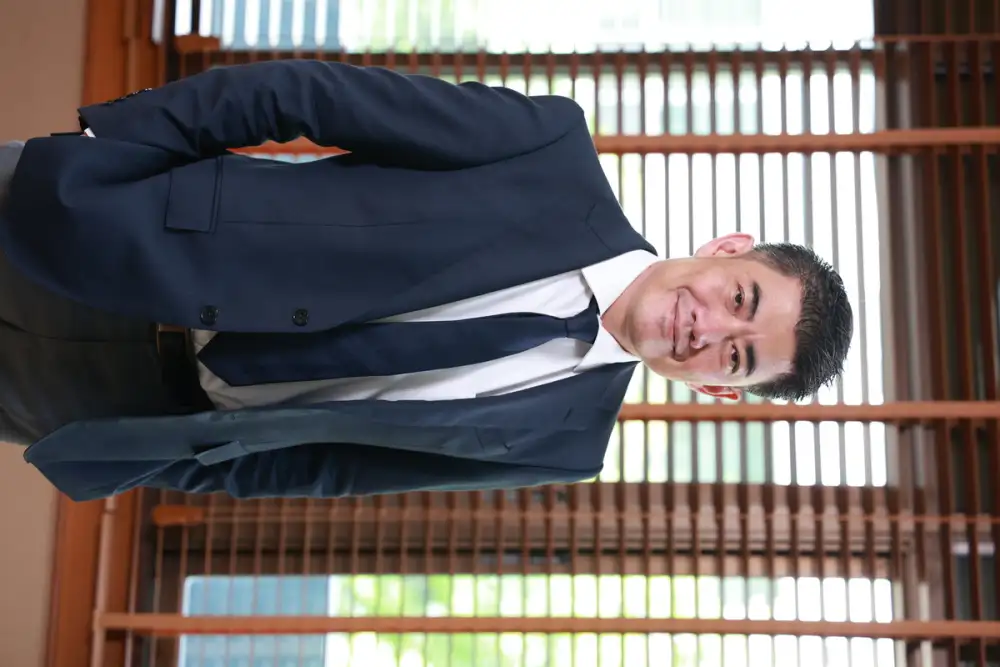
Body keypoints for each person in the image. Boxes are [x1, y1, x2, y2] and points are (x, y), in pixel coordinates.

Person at [0, 59, 853, 502]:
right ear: (728, 247)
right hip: (109, 224)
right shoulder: (549, 154)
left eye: (737, 356)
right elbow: (309, 96)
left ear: (719, 391)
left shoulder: (563, 446)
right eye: (740, 298)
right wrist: (111, 146)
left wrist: (159, 457)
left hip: (109, 399)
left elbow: (322, 469)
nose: (711, 329)